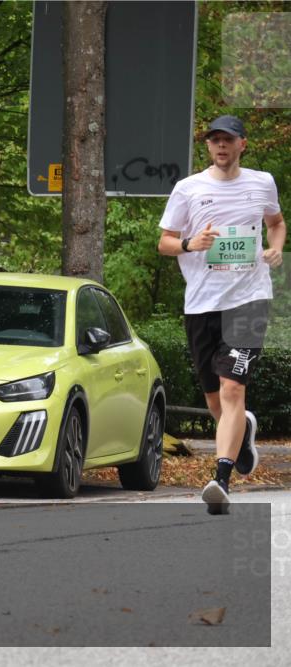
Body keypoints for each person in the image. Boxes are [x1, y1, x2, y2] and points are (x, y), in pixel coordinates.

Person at [157, 114, 285, 515]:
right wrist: (191, 243)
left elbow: (276, 223)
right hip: (201, 304)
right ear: (208, 147)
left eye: (228, 140)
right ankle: (242, 431)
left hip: (249, 300)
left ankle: (221, 477)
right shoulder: (188, 189)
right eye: (214, 141)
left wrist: (275, 248)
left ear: (242, 144)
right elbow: (164, 243)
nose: (221, 147)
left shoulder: (262, 182)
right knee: (216, 400)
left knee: (233, 391)